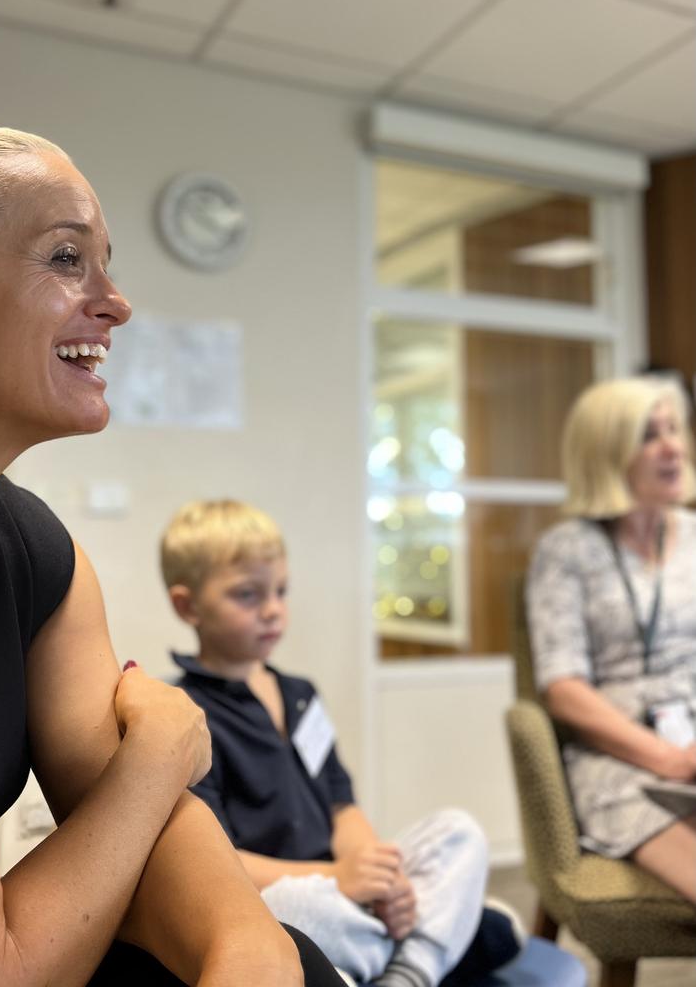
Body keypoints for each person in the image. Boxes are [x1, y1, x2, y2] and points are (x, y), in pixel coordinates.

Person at [0, 125, 346, 987]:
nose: (116, 304)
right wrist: (160, 753)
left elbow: (153, 847)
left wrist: (253, 949)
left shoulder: (37, 550)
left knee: (294, 959)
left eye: (105, 265)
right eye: (65, 259)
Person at [160, 500, 525, 987]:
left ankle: (402, 967)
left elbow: (342, 807)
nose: (272, 610)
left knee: (458, 834)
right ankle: (438, 940)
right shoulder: (185, 715)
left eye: (281, 591)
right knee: (294, 910)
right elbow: (216, 866)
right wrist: (338, 880)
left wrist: (381, 880)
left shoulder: (301, 695)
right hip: (279, 898)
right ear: (188, 607)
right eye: (247, 595)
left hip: (344, 889)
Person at [526, 376, 696, 904]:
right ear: (606, 451)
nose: (673, 447)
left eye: (673, 429)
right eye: (649, 435)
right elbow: (563, 689)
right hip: (619, 759)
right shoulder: (566, 550)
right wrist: (669, 760)